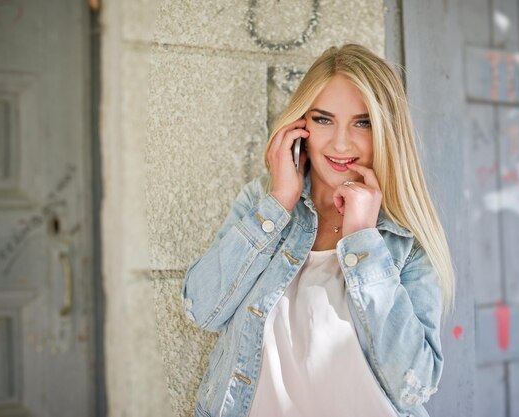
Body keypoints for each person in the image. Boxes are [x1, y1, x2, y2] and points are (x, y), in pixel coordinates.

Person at [181, 43, 455, 417]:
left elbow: (415, 387)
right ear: (301, 126)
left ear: (386, 132)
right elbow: (202, 310)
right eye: (324, 119)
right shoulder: (263, 205)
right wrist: (279, 201)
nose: (341, 143)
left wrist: (362, 240)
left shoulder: (405, 238)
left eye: (363, 122)